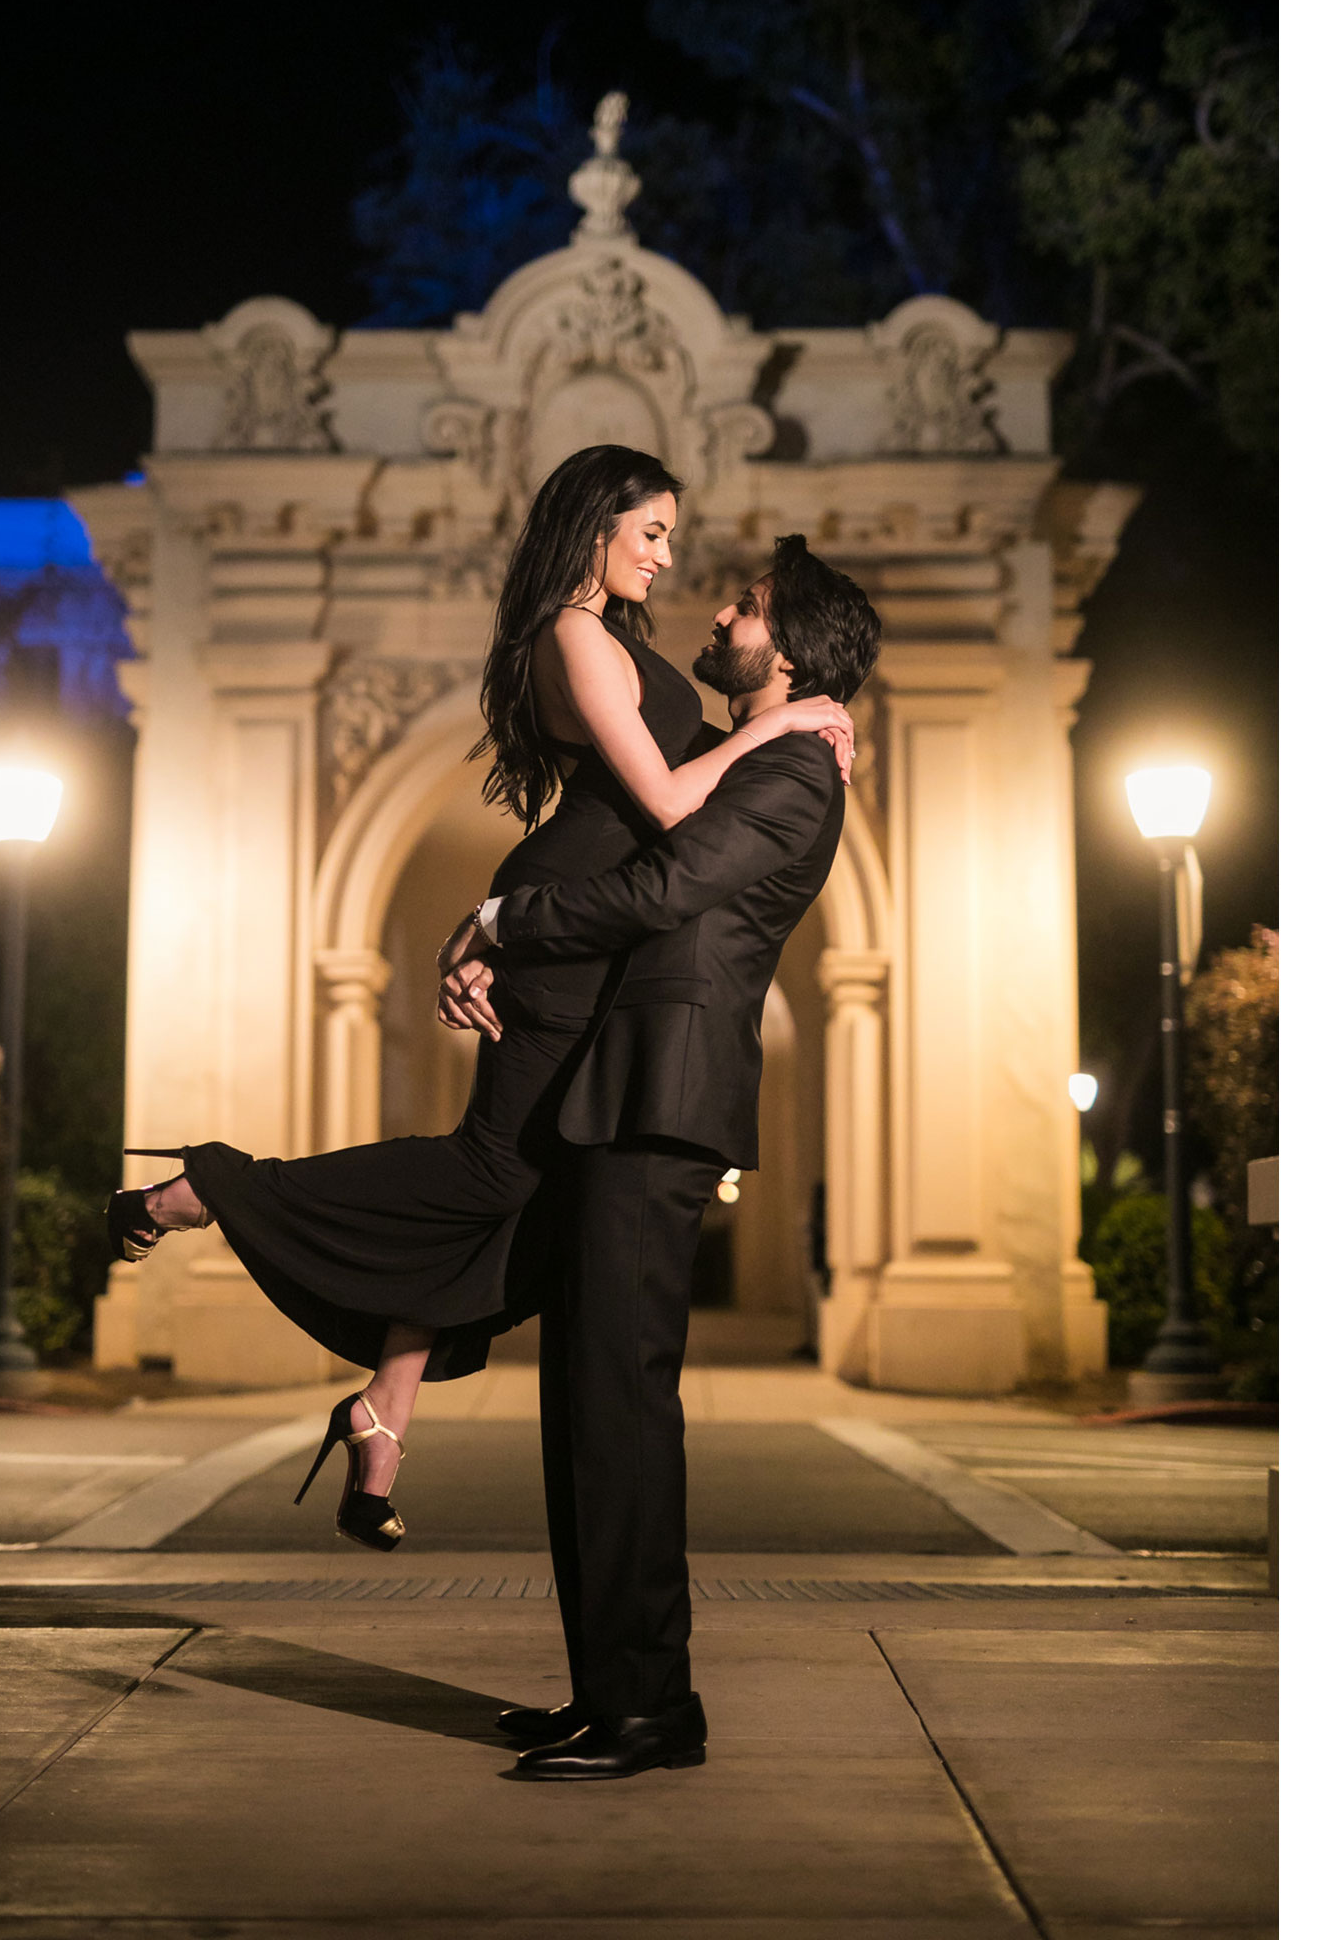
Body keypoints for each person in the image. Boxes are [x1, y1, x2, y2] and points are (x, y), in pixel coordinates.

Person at [104, 445, 853, 1551]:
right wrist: (783, 725)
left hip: (574, 918)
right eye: (650, 533)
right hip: (564, 923)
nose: (665, 556)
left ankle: (382, 1411)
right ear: (596, 526)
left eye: (671, 539)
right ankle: (206, 1189)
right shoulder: (573, 632)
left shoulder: (617, 639)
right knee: (493, 1168)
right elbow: (660, 800)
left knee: (516, 1180)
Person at [434, 535, 882, 1781]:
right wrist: (493, 936)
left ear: (779, 652)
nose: (720, 608)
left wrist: (504, 919)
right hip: (614, 1097)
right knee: (584, 1404)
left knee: (623, 1407)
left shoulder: (796, 769)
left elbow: (662, 885)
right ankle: (605, 1691)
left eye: (744, 606)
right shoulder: (742, 753)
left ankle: (650, 1712)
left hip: (663, 1105)